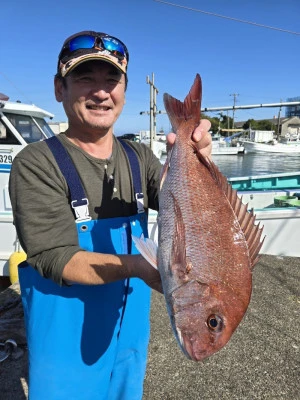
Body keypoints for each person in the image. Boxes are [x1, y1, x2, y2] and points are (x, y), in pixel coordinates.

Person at [9, 31, 212, 400]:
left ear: (123, 90)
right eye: (86, 78)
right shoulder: (36, 163)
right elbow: (54, 256)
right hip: (64, 347)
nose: (101, 92)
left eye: (112, 80)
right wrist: (138, 266)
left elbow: (192, 215)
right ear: (60, 89)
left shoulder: (139, 158)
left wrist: (200, 158)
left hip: (129, 336)